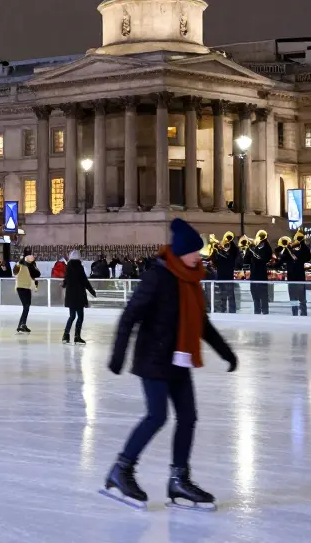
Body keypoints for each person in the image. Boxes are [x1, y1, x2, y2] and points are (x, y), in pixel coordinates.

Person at [104, 218, 237, 511]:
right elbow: (130, 315)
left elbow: (202, 324)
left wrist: (226, 353)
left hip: (179, 359)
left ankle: (178, 479)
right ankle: (121, 470)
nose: (198, 256)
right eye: (193, 252)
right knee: (157, 416)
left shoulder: (191, 281)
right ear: (180, 252)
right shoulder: (158, 276)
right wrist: (118, 355)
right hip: (153, 358)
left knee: (188, 417)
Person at [61, 249, 95, 344]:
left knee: (72, 316)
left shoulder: (68, 267)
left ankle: (65, 336)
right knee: (80, 316)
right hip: (79, 295)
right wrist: (92, 291)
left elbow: (66, 279)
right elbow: (84, 281)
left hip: (71, 295)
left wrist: (64, 285)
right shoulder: (79, 267)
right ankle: (77, 336)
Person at [279, 236, 311, 316]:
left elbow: (308, 256)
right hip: (291, 278)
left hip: (300, 278)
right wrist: (285, 248)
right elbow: (281, 258)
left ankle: (303, 313)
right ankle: (294, 313)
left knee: (302, 299)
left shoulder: (302, 253)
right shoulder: (288, 253)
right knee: (293, 299)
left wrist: (302, 243)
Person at [211, 233, 239, 314]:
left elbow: (234, 251)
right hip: (221, 276)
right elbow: (215, 262)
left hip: (229, 276)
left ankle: (232, 311)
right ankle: (222, 310)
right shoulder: (219, 253)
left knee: (230, 295)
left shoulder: (232, 253)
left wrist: (230, 241)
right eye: (225, 245)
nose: (226, 245)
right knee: (222, 295)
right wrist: (214, 251)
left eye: (227, 245)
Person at [13, 247, 39, 333]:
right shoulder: (21, 262)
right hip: (21, 286)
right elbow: (15, 271)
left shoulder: (31, 263)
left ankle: (22, 325)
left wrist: (35, 285)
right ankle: (22, 325)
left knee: (26, 306)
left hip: (27, 286)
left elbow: (36, 274)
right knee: (26, 306)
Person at [247, 232, 273, 315]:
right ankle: (256, 312)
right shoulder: (255, 248)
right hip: (253, 275)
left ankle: (265, 313)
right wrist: (248, 249)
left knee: (264, 296)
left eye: (261, 239)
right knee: (255, 296)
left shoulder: (267, 249)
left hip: (261, 275)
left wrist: (254, 250)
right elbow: (246, 260)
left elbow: (263, 259)